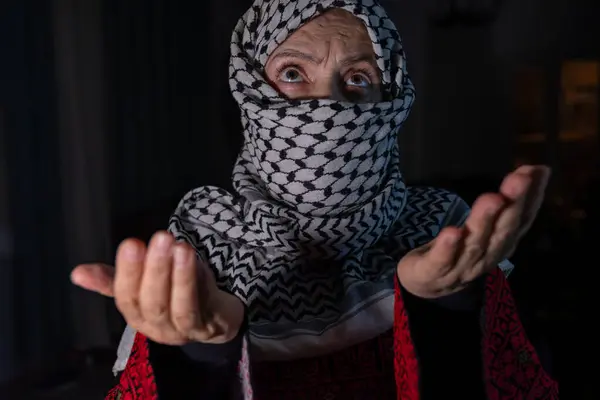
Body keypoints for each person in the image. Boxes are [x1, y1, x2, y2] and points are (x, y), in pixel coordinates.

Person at [71, 0, 558, 398]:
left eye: (359, 80)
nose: (327, 105)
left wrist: (441, 307)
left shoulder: (444, 229)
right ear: (249, 90)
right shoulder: (198, 243)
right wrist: (203, 354)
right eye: (293, 74)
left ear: (391, 100)